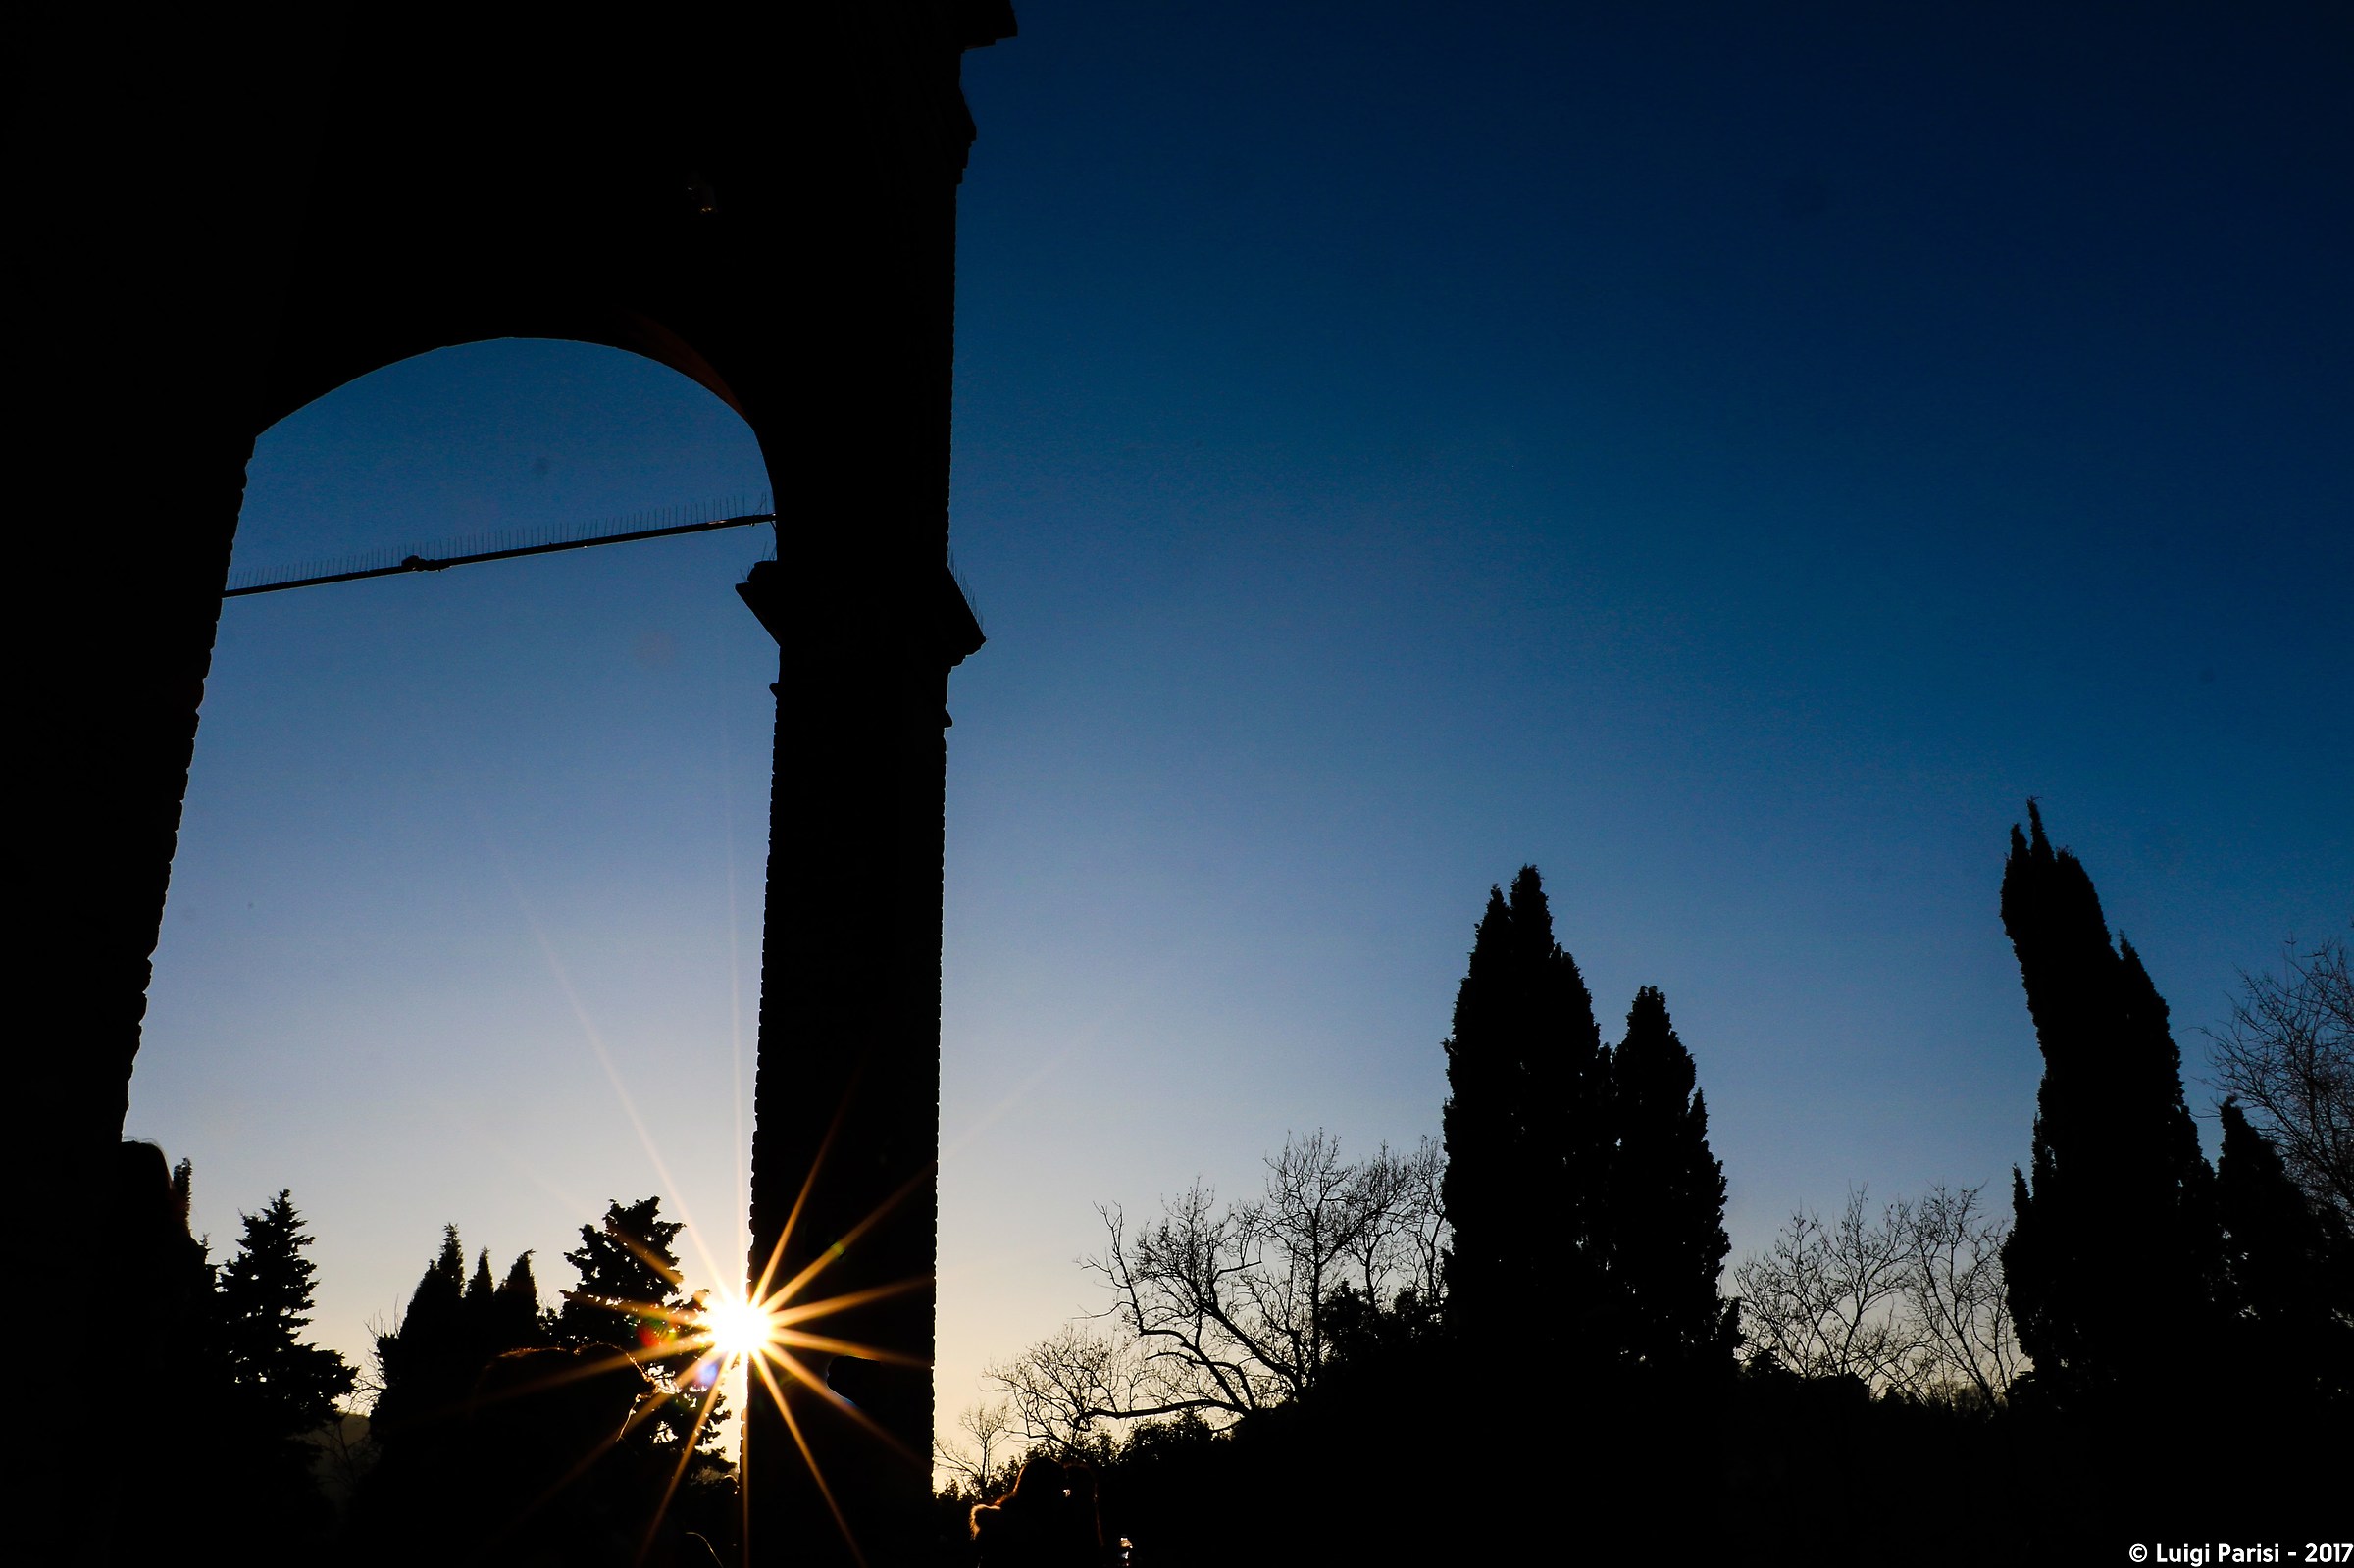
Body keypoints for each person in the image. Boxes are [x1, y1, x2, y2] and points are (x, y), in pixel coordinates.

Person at [970, 1454, 1071, 1565]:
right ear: (1045, 1490)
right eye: (1059, 1490)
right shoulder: (1021, 1534)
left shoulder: (998, 1526)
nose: (1063, 1496)